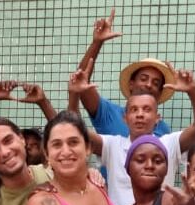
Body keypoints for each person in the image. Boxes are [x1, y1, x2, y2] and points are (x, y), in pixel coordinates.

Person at [69, 64, 195, 205]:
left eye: (147, 109)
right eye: (134, 110)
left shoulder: (169, 143)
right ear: (125, 117)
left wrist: (193, 91)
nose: (140, 114)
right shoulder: (112, 145)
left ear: (157, 118)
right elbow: (75, 132)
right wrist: (74, 95)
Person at [69, 9, 171, 138]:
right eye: (144, 78)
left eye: (156, 83)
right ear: (131, 84)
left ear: (160, 93)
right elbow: (82, 83)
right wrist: (97, 42)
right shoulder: (109, 113)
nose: (149, 84)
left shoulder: (164, 130)